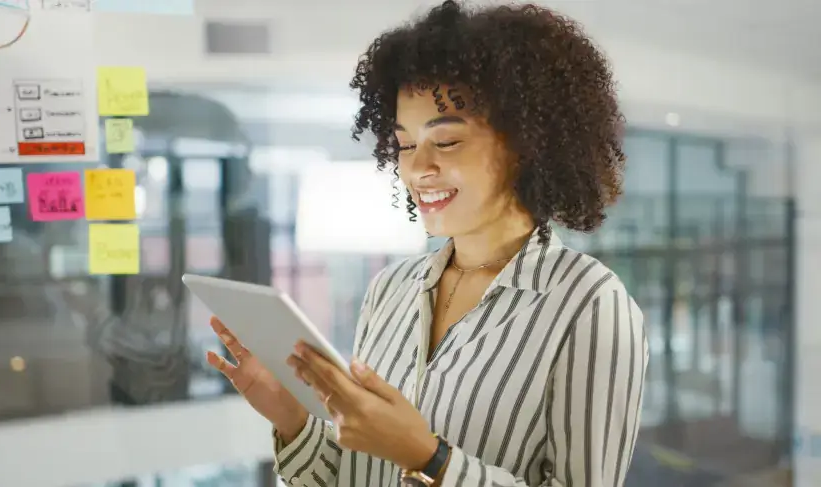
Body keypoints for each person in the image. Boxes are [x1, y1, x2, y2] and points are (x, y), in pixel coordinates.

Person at [206, 1, 648, 486]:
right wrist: (291, 418)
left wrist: (428, 457)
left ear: (525, 145)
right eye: (405, 144)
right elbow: (354, 475)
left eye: (448, 141)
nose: (417, 169)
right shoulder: (390, 290)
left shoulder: (589, 305)